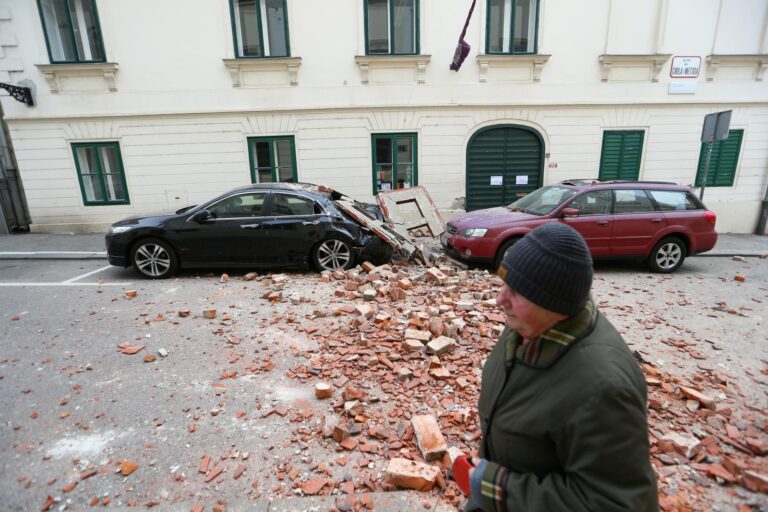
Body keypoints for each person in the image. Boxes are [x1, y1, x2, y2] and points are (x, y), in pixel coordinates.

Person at [460, 223, 658, 511]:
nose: (499, 299)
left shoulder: (604, 390)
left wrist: (498, 488)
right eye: (504, 282)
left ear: (553, 302)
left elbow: (615, 502)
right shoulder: (526, 326)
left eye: (516, 292)